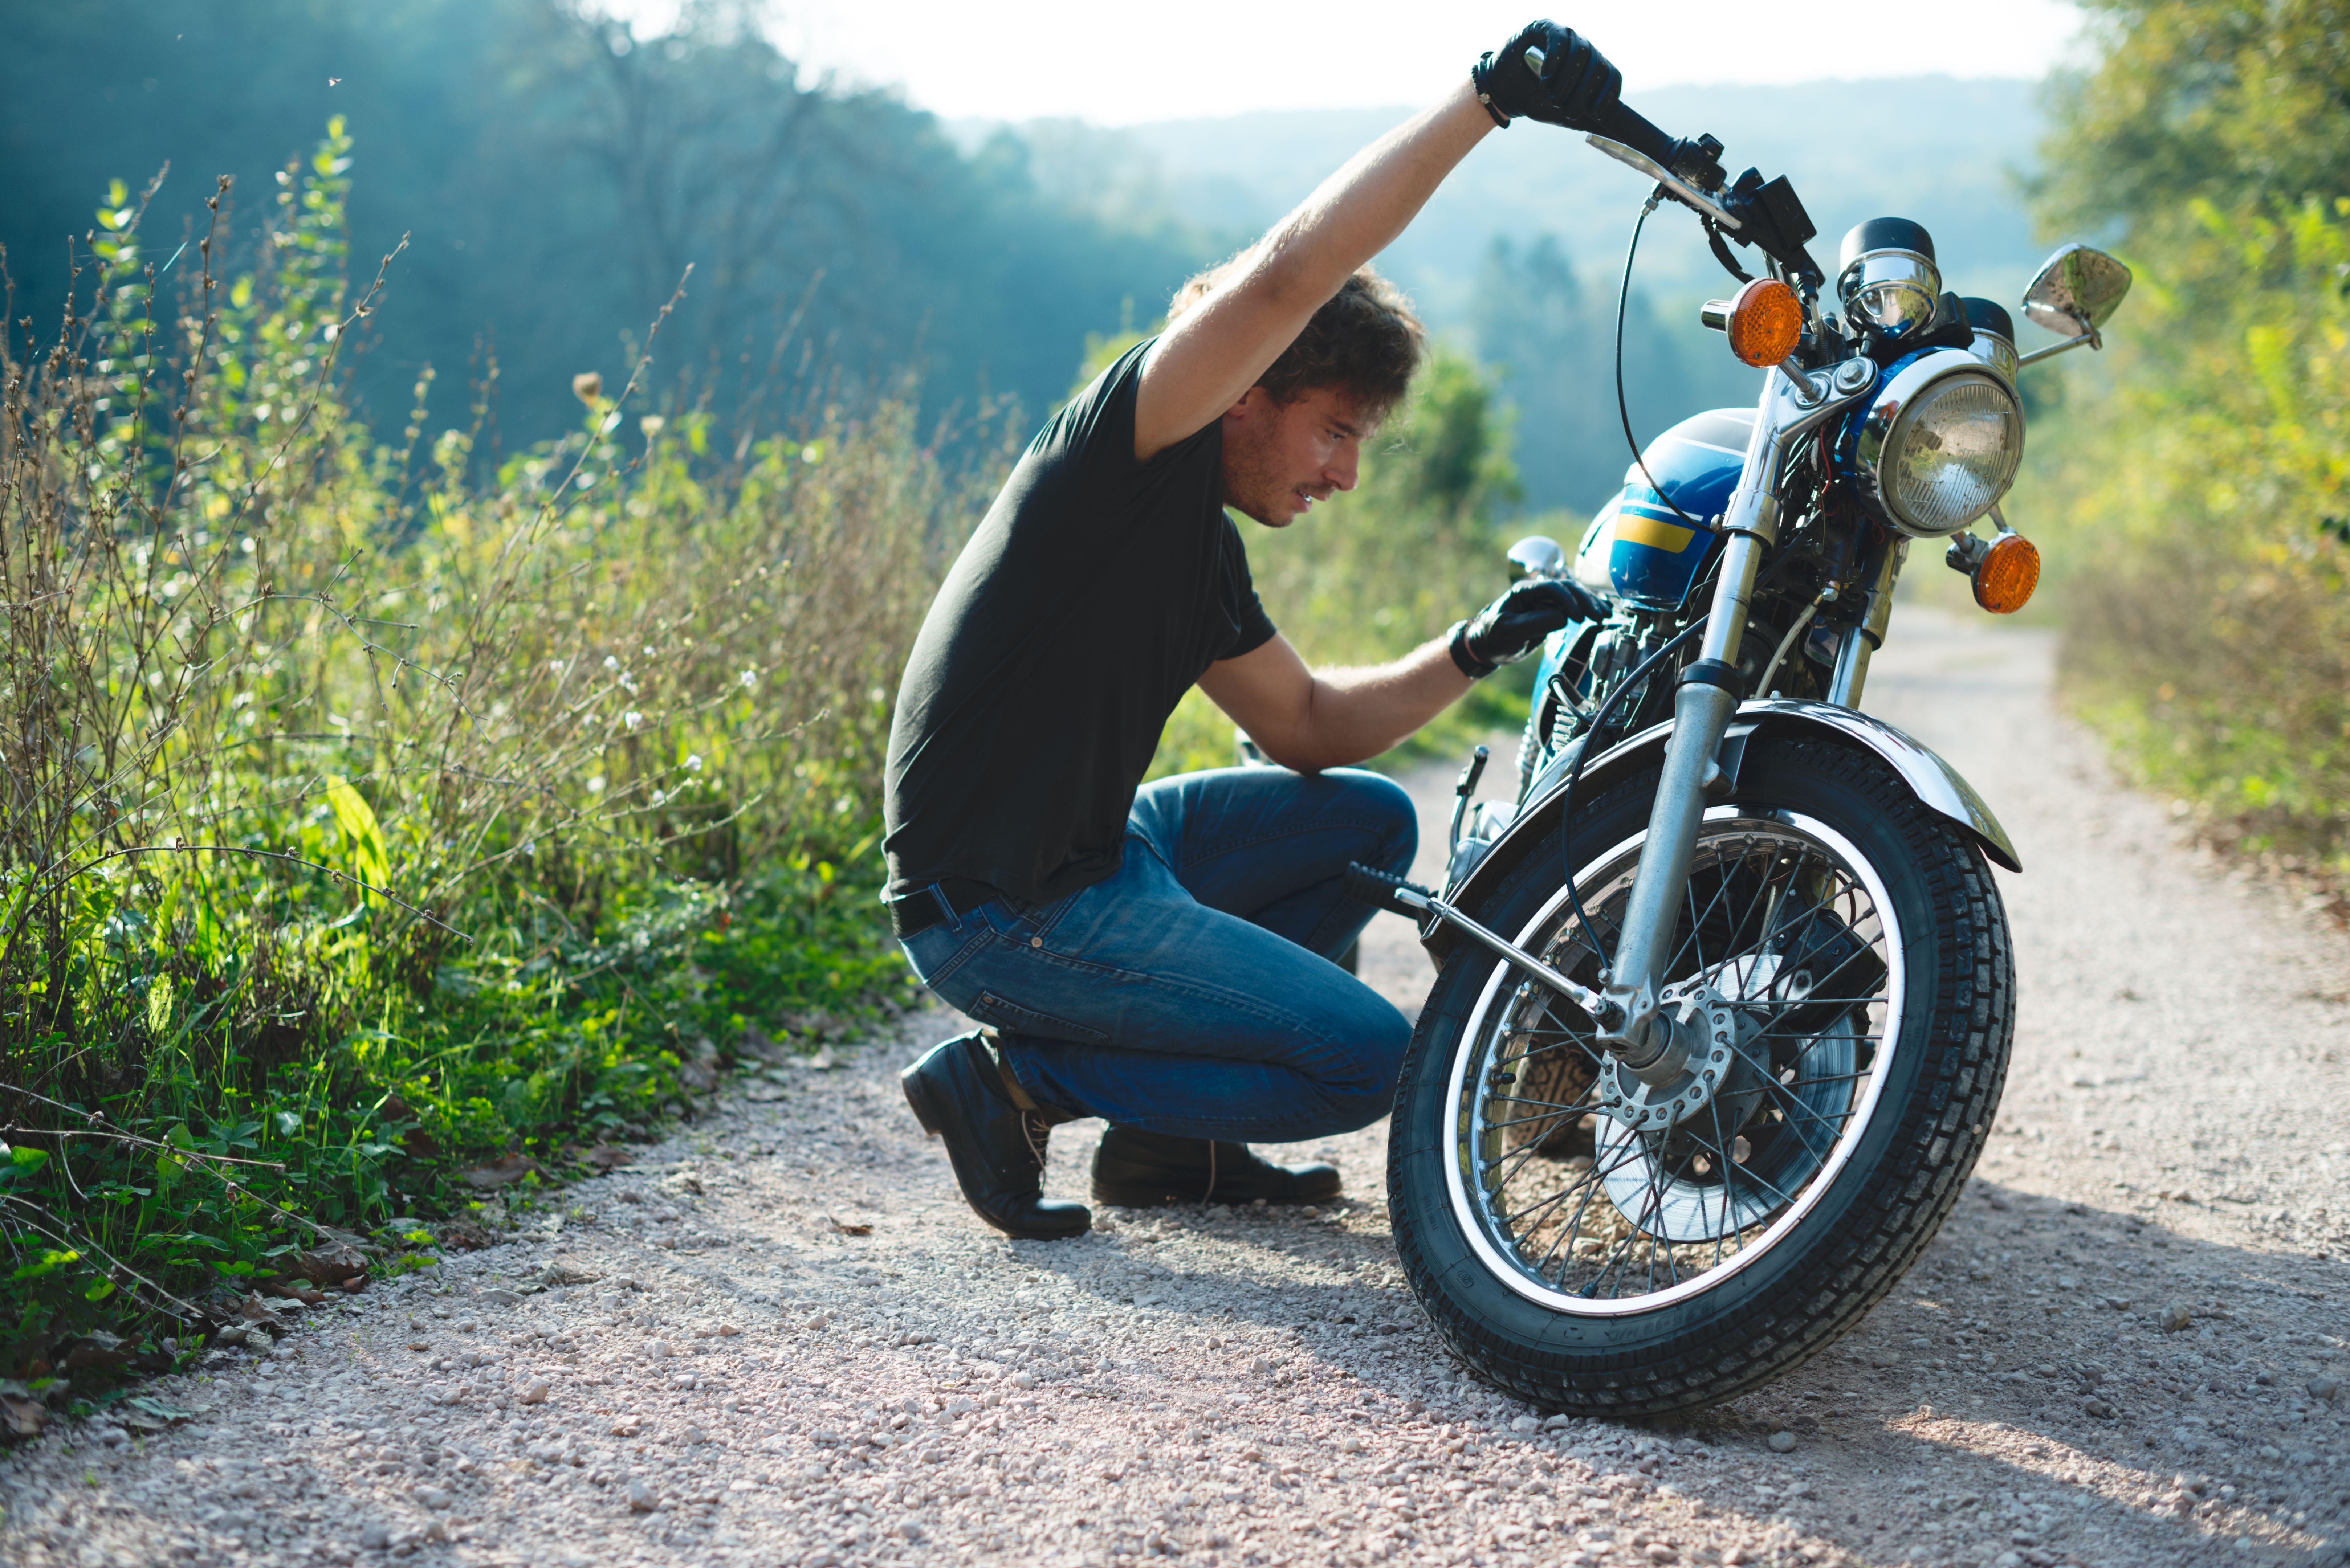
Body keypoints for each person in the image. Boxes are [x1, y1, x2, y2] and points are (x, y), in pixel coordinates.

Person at [883, 21, 1622, 1240]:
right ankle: (1017, 1082)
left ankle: (1175, 1150)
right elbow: (1288, 273)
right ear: (1243, 388)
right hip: (995, 913)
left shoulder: (1202, 553)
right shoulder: (1120, 456)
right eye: (1333, 429)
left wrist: (1480, 644)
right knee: (1368, 1062)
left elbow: (1312, 729)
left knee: (1362, 817)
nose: (1343, 474)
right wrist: (1483, 99)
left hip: (1099, 857)